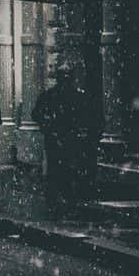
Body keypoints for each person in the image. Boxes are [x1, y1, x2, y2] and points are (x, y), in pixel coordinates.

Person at [32, 64, 98, 209]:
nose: (65, 80)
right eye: (64, 76)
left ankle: (62, 197)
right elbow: (37, 114)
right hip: (58, 136)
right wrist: (48, 125)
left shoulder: (73, 96)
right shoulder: (52, 96)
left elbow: (86, 116)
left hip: (67, 136)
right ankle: (60, 198)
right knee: (60, 168)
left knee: (65, 167)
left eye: (67, 76)